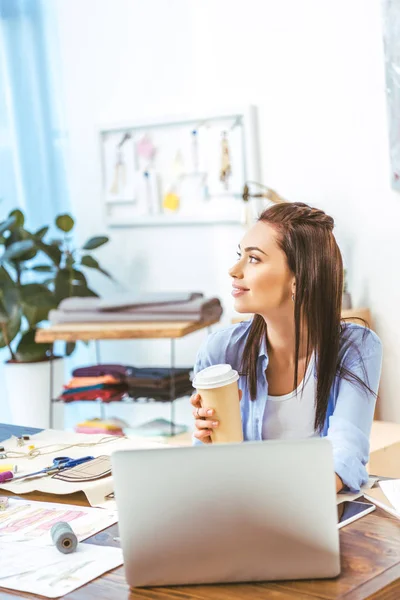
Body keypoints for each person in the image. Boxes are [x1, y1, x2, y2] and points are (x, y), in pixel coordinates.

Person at [191, 202, 382, 493]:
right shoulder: (221, 351)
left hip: (315, 508)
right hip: (241, 508)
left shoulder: (356, 348)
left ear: (298, 277)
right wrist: (208, 441)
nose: (234, 270)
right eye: (239, 255)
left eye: (253, 259)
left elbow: (345, 456)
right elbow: (206, 472)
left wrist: (288, 502)